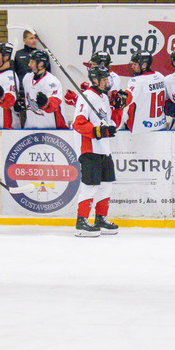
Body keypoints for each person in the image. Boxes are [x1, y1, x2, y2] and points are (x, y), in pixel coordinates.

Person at [70, 65, 122, 236]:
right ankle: (81, 222)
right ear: (95, 80)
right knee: (90, 186)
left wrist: (119, 109)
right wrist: (98, 131)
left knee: (107, 185)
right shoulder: (86, 97)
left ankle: (100, 218)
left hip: (104, 149)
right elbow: (78, 123)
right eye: (104, 79)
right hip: (89, 149)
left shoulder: (104, 98)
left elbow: (111, 125)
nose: (107, 82)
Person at [22, 51, 66, 129]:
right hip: (30, 128)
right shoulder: (27, 78)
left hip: (50, 128)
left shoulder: (52, 81)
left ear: (41, 64)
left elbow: (55, 103)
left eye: (32, 62)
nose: (29, 64)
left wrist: (47, 103)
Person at [122, 50, 163, 133]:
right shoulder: (160, 76)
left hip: (139, 128)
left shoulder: (136, 81)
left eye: (135, 64)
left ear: (144, 65)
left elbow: (125, 100)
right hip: (160, 126)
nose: (132, 66)